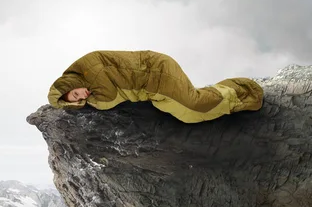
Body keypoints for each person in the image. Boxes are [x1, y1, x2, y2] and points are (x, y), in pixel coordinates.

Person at [48, 50, 264, 123]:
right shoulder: (86, 78)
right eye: (78, 100)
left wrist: (91, 102)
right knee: (186, 115)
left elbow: (109, 99)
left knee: (195, 106)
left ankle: (241, 90)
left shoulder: (89, 69)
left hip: (156, 71)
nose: (82, 96)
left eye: (76, 92)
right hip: (150, 87)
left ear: (71, 84)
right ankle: (229, 94)